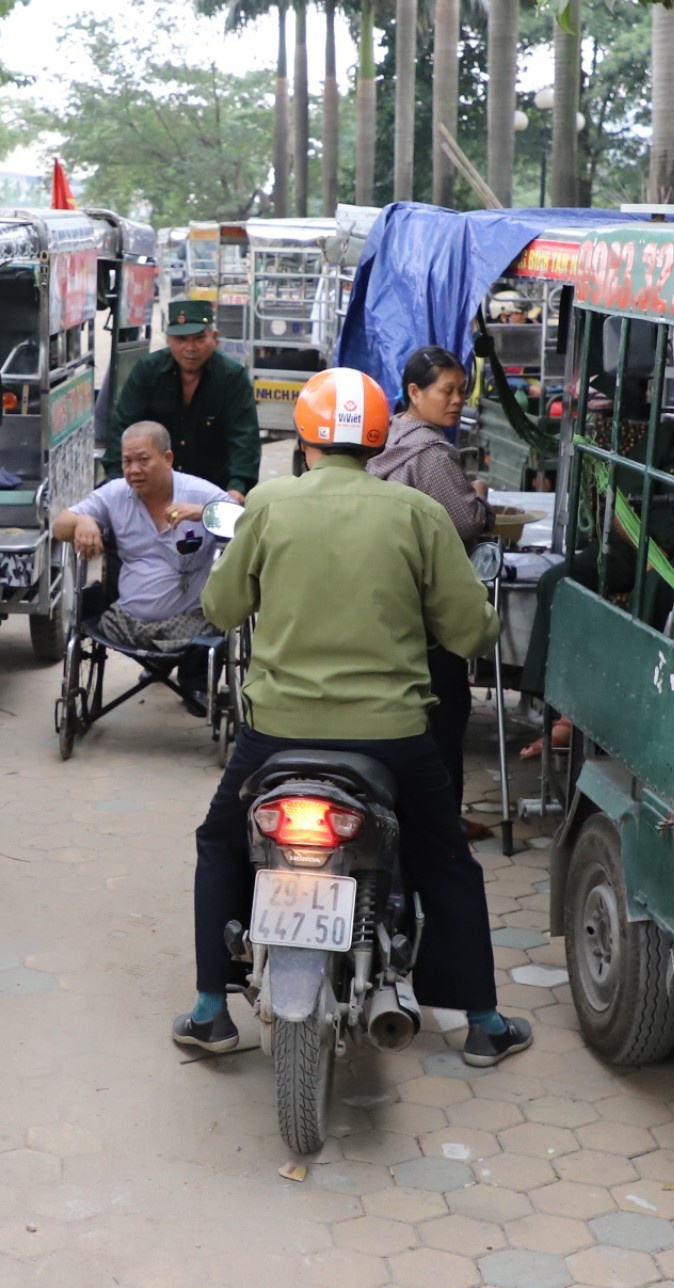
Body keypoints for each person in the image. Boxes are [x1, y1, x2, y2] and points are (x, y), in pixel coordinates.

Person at [182, 367, 531, 1067]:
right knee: (445, 859)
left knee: (222, 842)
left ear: (305, 439)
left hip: (276, 734)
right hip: (392, 739)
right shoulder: (417, 513)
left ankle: (211, 1010)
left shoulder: (271, 506)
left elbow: (219, 609)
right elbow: (473, 635)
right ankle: (484, 1022)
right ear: (377, 442)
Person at [369, 346, 493, 824]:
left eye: (462, 391)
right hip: (429, 613)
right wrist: (480, 497)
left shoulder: (386, 441)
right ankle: (443, 824)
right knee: (445, 714)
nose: (458, 400)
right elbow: (463, 522)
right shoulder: (432, 451)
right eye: (448, 390)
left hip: (387, 605)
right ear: (415, 393)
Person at [52, 419, 225, 658]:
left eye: (143, 460)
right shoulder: (116, 493)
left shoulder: (201, 493)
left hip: (191, 621)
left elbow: (247, 524)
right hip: (126, 622)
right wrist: (83, 521)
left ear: (168, 459)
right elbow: (59, 527)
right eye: (127, 461)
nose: (133, 470)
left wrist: (205, 513)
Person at [102, 299, 261, 496]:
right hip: (153, 489)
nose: (190, 347)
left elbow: (244, 440)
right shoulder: (147, 371)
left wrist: (237, 489)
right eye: (181, 339)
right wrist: (119, 485)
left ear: (215, 338)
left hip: (212, 490)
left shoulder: (232, 377)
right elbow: (123, 429)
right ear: (168, 339)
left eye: (199, 338)